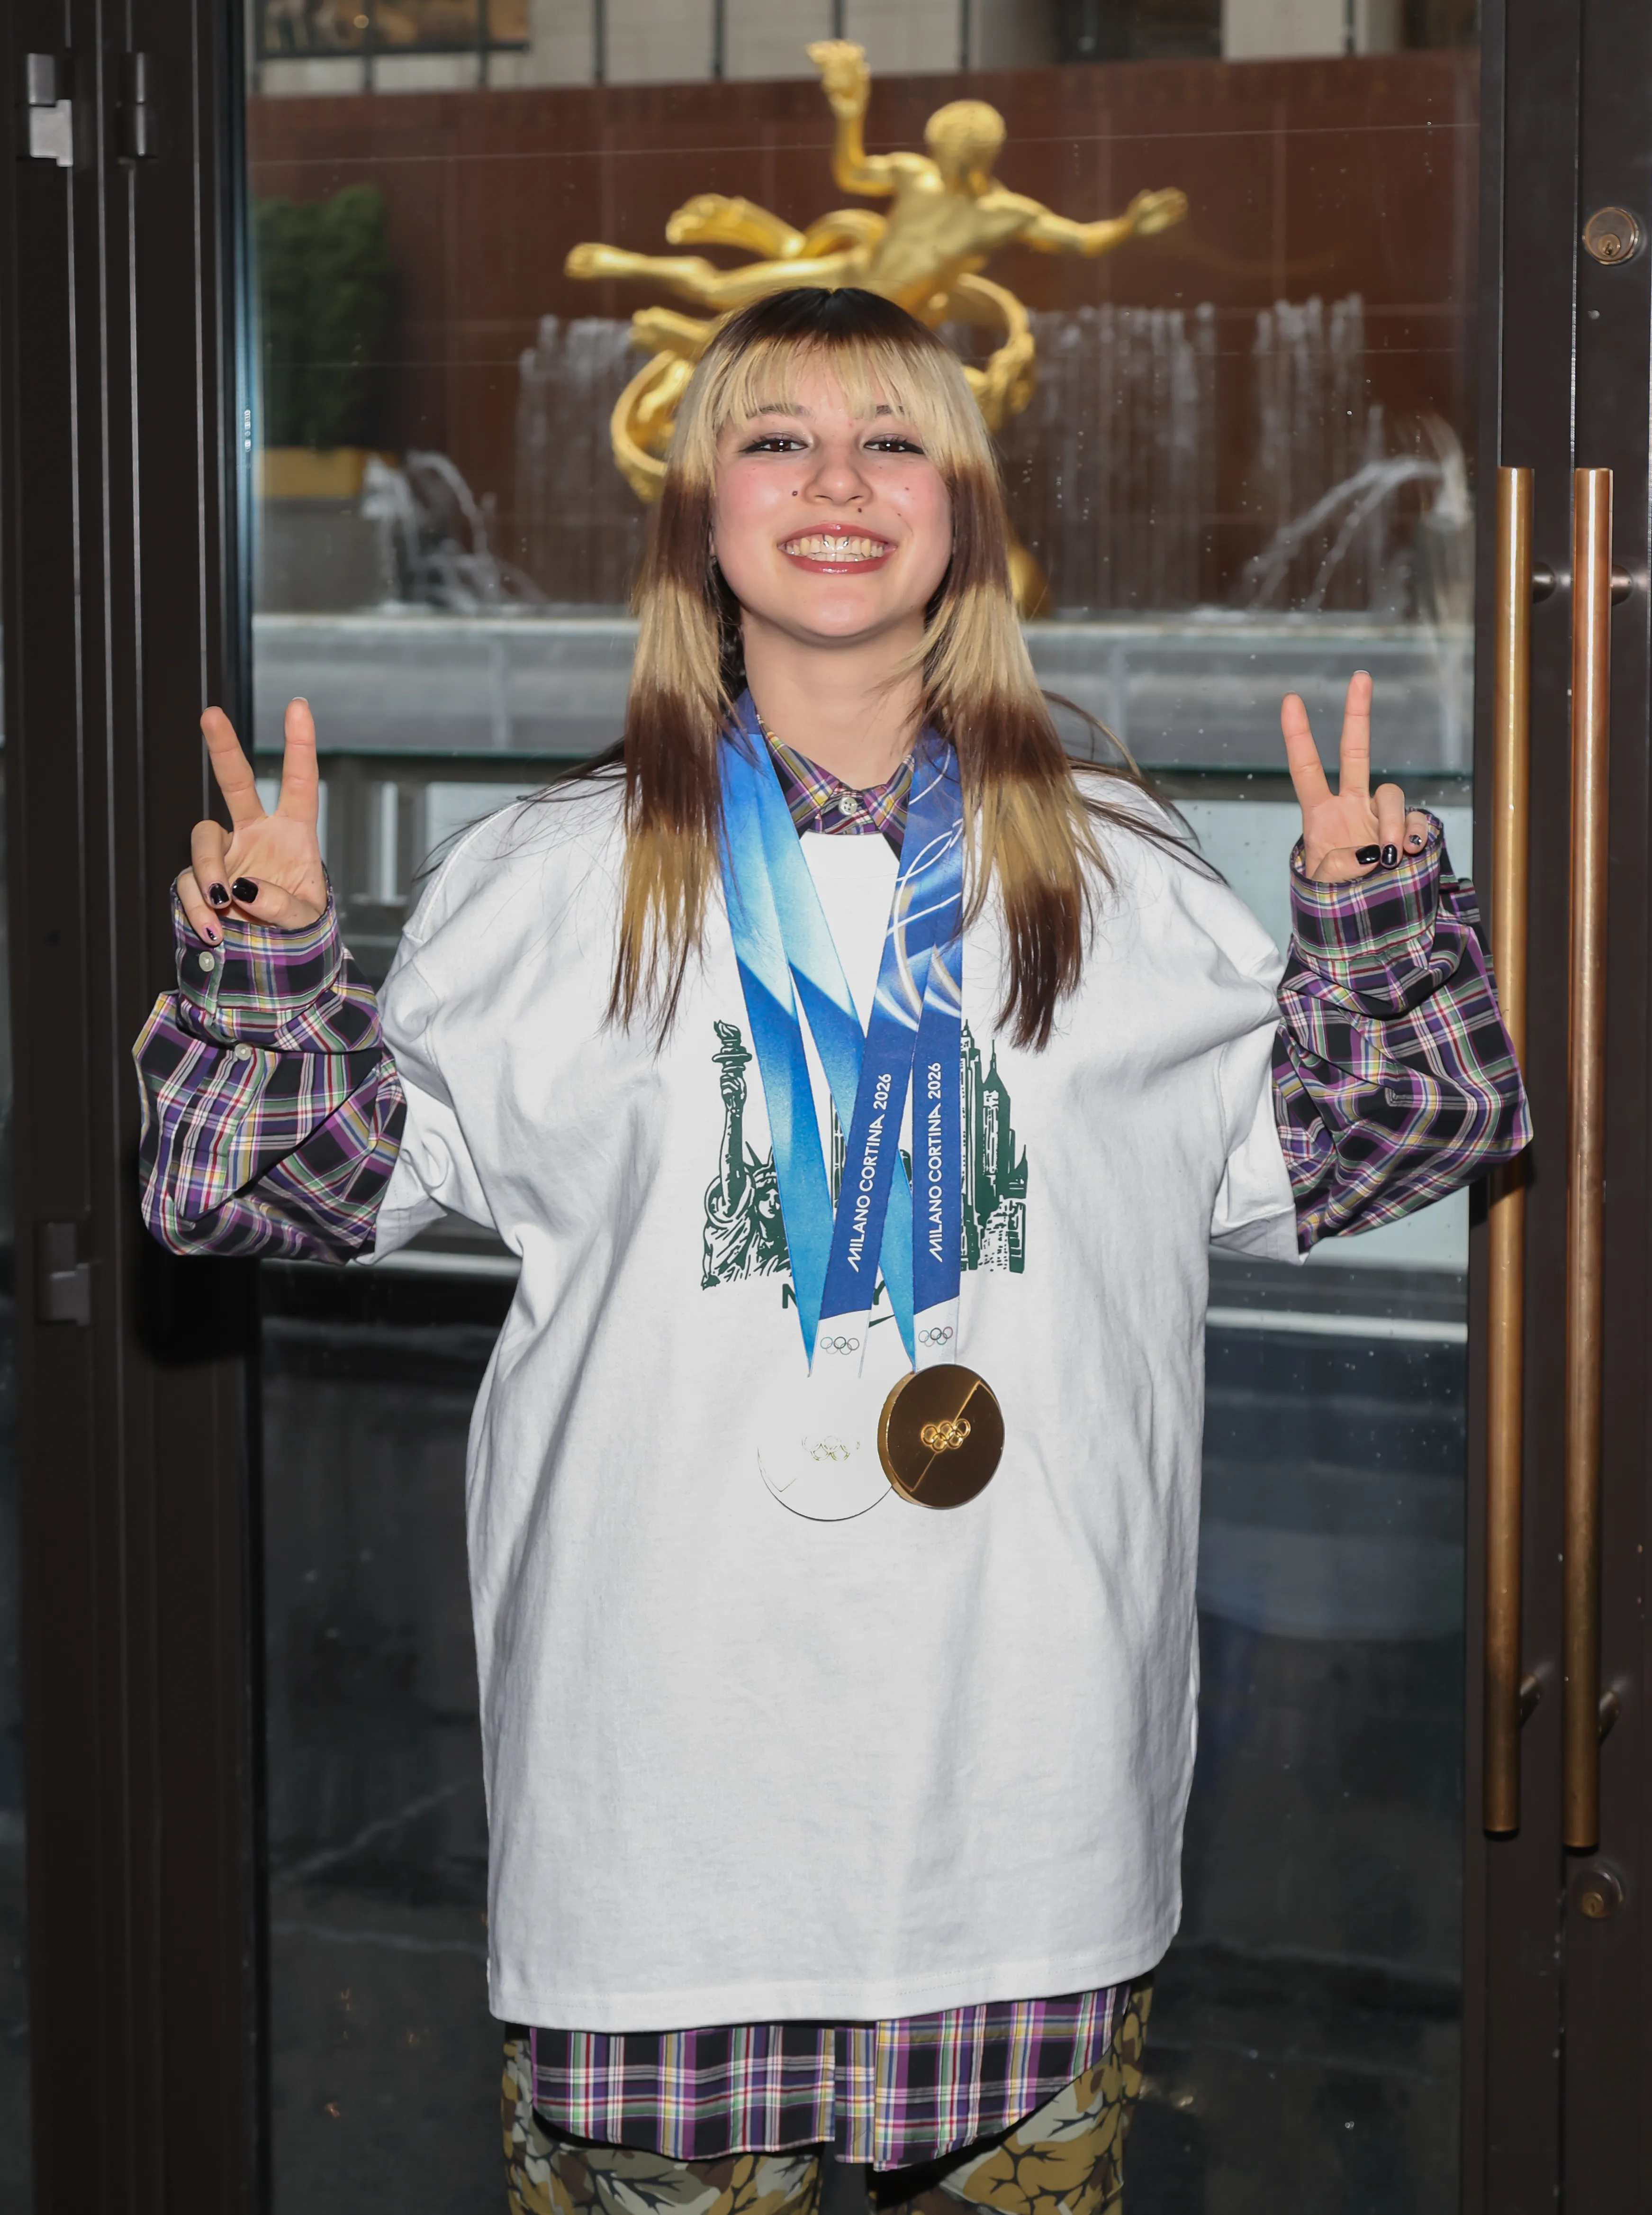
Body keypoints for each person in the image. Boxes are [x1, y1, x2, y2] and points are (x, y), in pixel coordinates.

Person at [135, 286, 1527, 2214]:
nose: (836, 481)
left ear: (961, 506)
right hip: (658, 1833)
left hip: (1020, 1830)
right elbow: (259, 1193)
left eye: (893, 438)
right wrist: (270, 967)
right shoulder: (543, 881)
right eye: (773, 437)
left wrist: (1374, 933)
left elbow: (1403, 1139)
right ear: (699, 509)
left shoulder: (1120, 872)